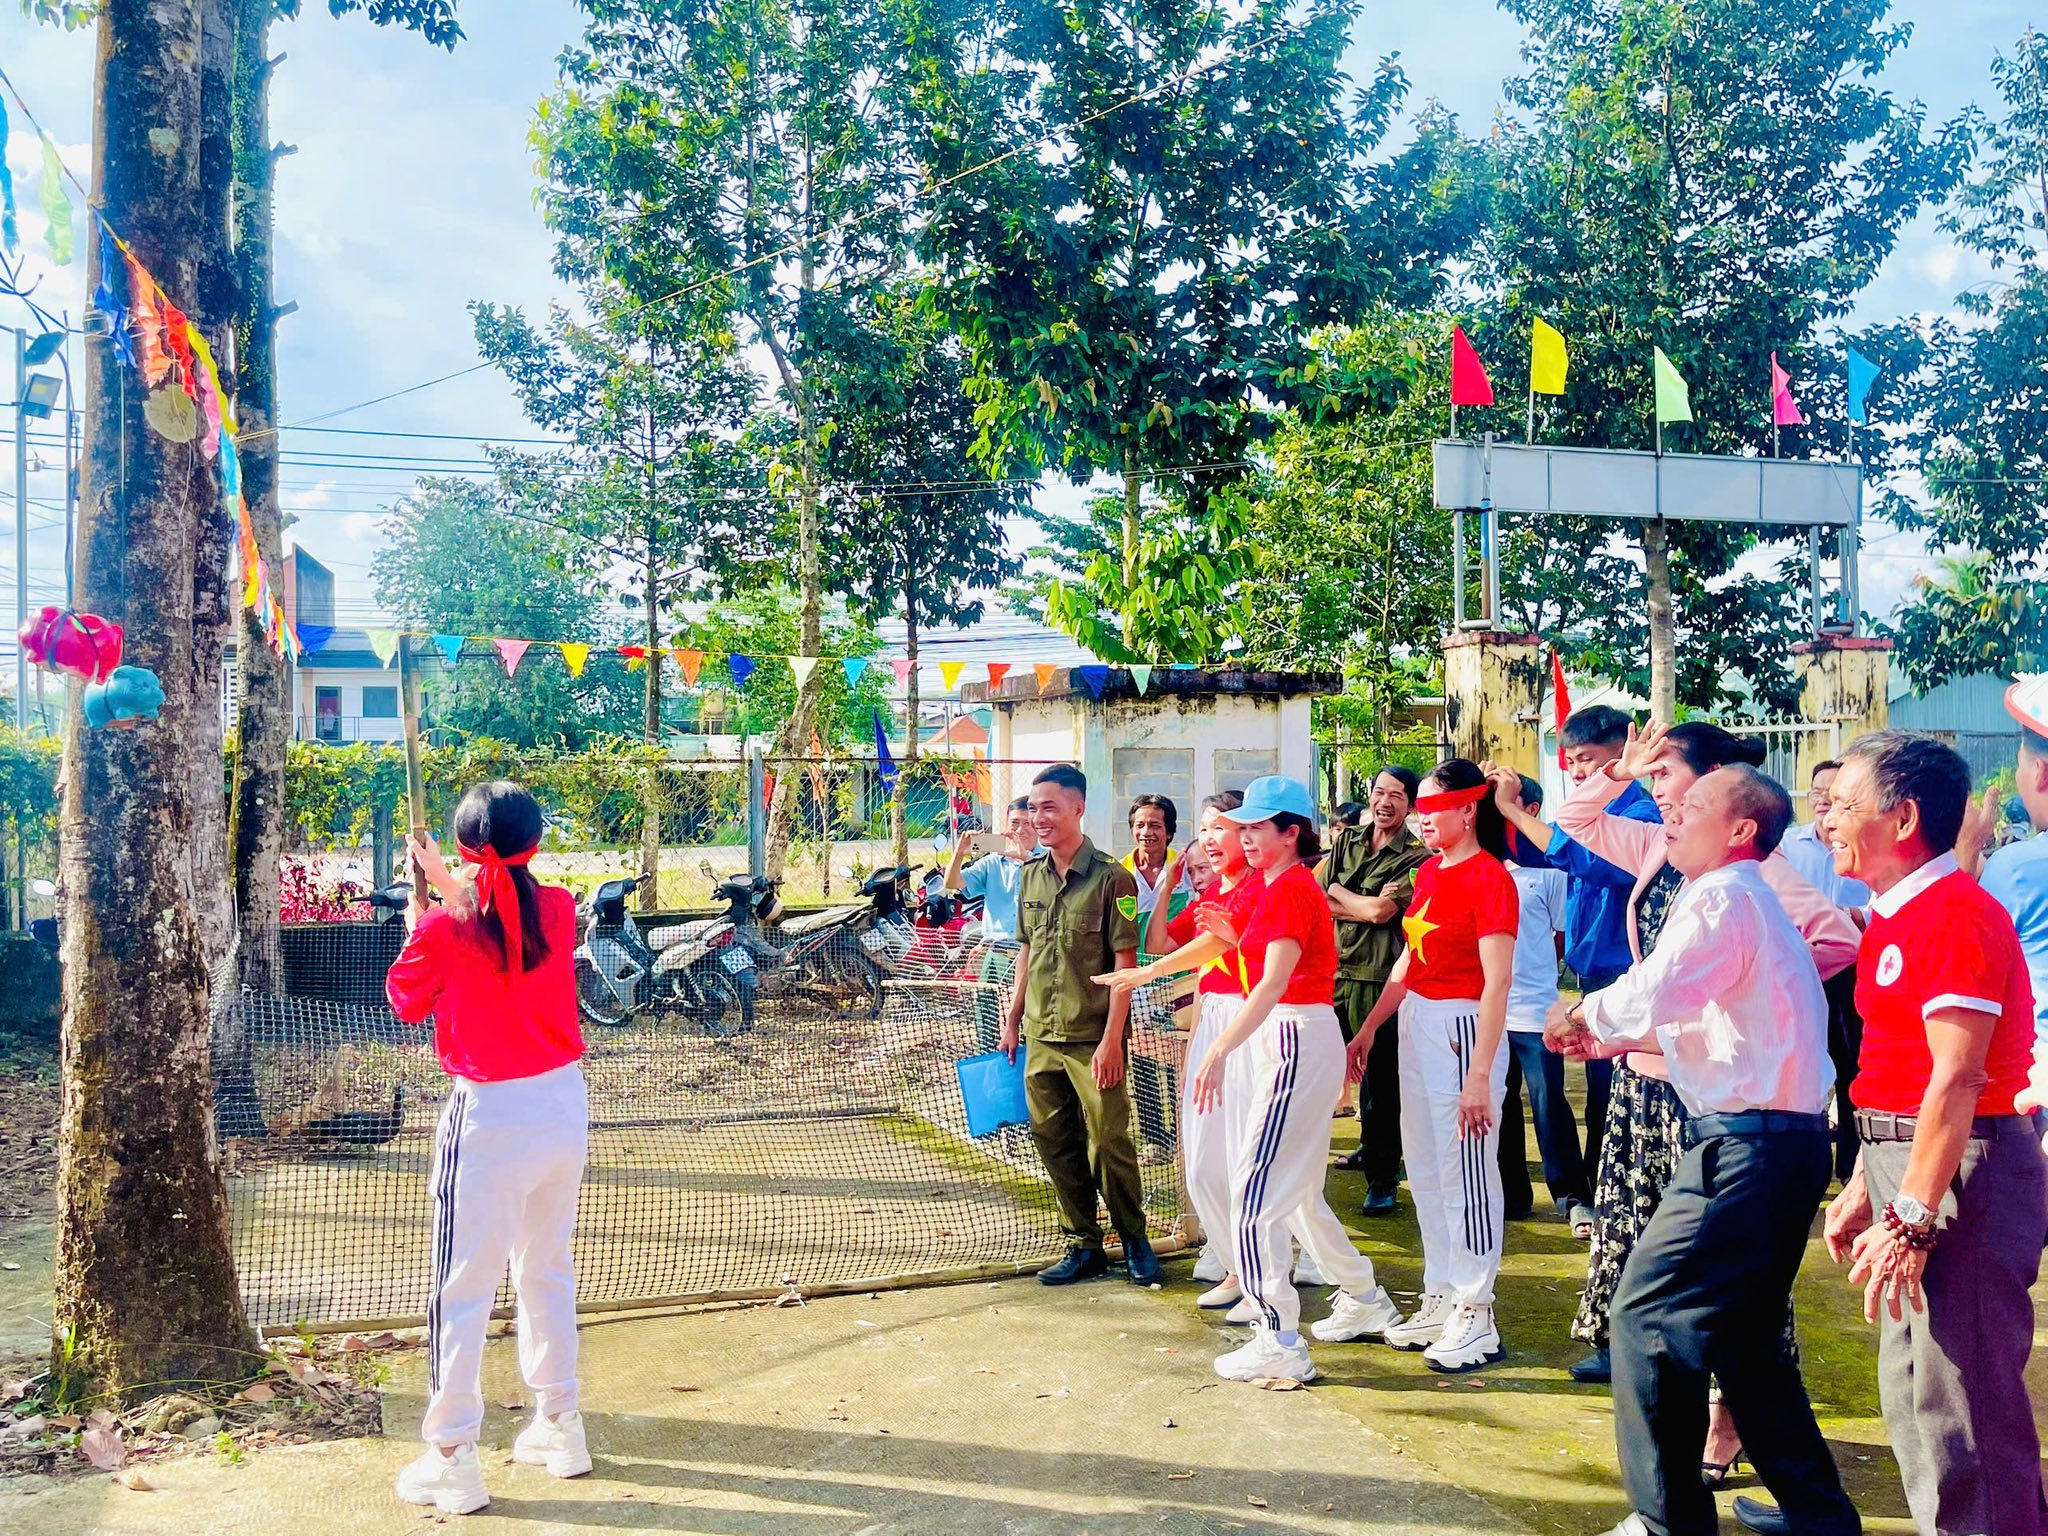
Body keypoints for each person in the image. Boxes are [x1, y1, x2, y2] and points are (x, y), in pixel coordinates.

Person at [1547, 766, 1860, 1536]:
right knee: (1746, 1343)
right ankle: (1820, 1519)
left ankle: (1667, 1521)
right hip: (1772, 1145)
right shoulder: (1745, 900)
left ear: (1741, 830)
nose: (1672, 819)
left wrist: (1583, 1014)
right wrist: (1612, 1035)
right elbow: (1713, 1018)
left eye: (1690, 806)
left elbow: (1661, 984)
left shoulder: (1723, 895)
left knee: (1649, 1316)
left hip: (1746, 1149)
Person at [1781, 731, 2047, 1536]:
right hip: (1915, 1157)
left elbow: (1958, 1077)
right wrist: (1873, 1180)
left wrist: (1914, 1213)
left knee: (1962, 1404)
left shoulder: (1954, 915)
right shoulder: (1898, 916)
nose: (1827, 820)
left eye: (1844, 805)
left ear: (1902, 819)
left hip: (1965, 1166)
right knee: (1915, 1390)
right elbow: (1899, 1071)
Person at [1102, 781, 1401, 1364]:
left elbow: (1271, 982)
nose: (1245, 838)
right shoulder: (1268, 884)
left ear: (1291, 833)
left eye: (1257, 827)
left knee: (1254, 1189)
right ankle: (1364, 1296)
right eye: (1242, 827)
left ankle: (1278, 1337)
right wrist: (1145, 974)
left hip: (1291, 1034)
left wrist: (1218, 1048)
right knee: (1297, 1195)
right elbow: (1221, 946)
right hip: (1286, 1034)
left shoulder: (1289, 887)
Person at [384, 782, 591, 1516]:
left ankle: (451, 1456)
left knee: (462, 1289)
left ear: (468, 847)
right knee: (546, 1268)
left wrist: (420, 925)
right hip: (562, 1106)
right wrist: (441, 889)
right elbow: (501, 919)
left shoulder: (445, 930)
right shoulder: (560, 908)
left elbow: (406, 1001)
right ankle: (561, 1424)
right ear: (534, 842)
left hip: (490, 1116)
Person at [1348, 759, 1517, 1373]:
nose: (1422, 817)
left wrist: (1480, 1074)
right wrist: (1371, 1026)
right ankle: (1442, 1293)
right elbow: (1408, 960)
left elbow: (1497, 982)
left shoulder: (1490, 877)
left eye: (1432, 806)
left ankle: (1477, 1310)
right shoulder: (1428, 872)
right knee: (1425, 1167)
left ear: (1469, 809)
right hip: (1418, 1021)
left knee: (1466, 1171)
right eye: (1418, 807)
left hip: (1464, 1026)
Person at [1002, 765, 1158, 1286]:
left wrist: (1113, 1039)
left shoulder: (1113, 878)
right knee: (1053, 1140)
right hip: (1041, 1035)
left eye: (1049, 807)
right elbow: (1027, 951)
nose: (1038, 817)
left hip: (1093, 1037)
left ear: (1078, 809)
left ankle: (1134, 1239)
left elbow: (1125, 964)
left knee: (1110, 1141)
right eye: (1033, 808)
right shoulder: (1031, 875)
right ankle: (1083, 1243)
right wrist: (1013, 1016)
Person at [1546, 706, 1665, 1192]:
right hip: (1592, 968)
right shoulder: (1595, 808)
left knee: (1614, 1090)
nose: (1578, 772)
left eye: (1588, 759)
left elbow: (1582, 858)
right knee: (1601, 1087)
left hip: (1622, 969)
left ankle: (1607, 1186)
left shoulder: (1641, 814)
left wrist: (1513, 813)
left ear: (1621, 754)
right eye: (1572, 761)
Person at [1318, 765, 1429, 1214]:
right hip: (1332, 973)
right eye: (1380, 791)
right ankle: (1352, 1155)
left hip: (1379, 978)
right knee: (1323, 1071)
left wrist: (1340, 894)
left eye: (1396, 795)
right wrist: (1358, 904)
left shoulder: (1417, 858)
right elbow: (1316, 897)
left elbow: (1383, 913)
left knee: (1381, 1083)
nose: (1385, 802)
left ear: (1411, 805)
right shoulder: (1347, 841)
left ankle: (1383, 1179)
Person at [1484, 772, 1590, 1234]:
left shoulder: (1547, 870)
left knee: (1548, 1103)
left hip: (1533, 1008)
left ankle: (1572, 1197)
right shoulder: (1483, 867)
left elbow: (1563, 937)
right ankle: (1511, 1195)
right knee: (1499, 1103)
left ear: (1529, 810)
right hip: (1487, 1009)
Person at [1780, 760, 1872, 1179]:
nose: (1822, 801)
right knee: (1802, 1067)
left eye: (1832, 794)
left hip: (1851, 970)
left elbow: (1878, 903)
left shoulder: (1862, 844)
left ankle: (1851, 1164)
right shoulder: (1787, 846)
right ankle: (1804, 1163)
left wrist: (1850, 916)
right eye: (1817, 792)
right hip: (1800, 970)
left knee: (1851, 1067)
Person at [1972, 677, 2048, 1080]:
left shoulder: (2015, 869)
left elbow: (1963, 958)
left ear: (2040, 773)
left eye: (2019, 765)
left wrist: (1965, 850)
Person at [942, 794, 1034, 944]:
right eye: (1014, 823)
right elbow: (951, 883)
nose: (1020, 830)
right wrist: (959, 854)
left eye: (1028, 823)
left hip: (1033, 948)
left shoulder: (1049, 860)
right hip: (995, 945)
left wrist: (1027, 858)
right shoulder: (992, 862)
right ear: (1006, 825)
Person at [1123, 793, 1195, 918]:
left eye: (1155, 826)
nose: (1146, 832)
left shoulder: (1185, 865)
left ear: (1169, 832)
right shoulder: (1119, 872)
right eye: (1140, 826)